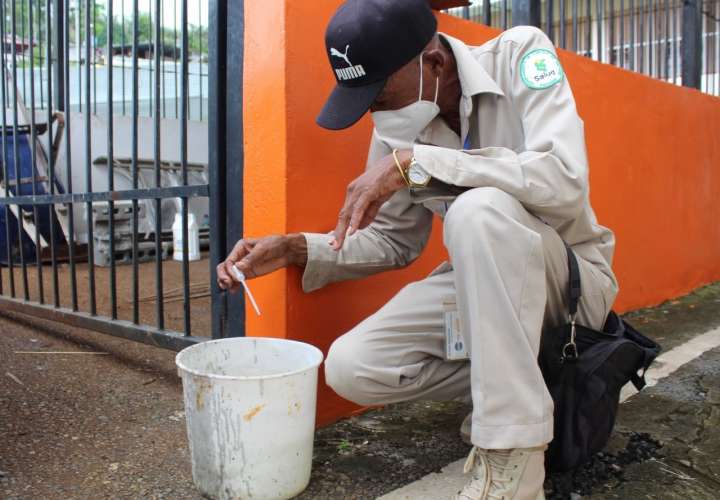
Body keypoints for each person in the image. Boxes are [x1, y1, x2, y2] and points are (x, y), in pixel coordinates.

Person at [217, 0, 618, 498]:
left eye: (378, 95)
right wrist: (296, 248)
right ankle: (521, 389)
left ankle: (513, 463)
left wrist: (422, 162)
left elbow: (564, 180)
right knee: (353, 366)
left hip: (571, 283)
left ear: (433, 63)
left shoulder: (521, 54)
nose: (374, 112)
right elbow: (393, 239)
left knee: (479, 210)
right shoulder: (402, 127)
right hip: (484, 288)